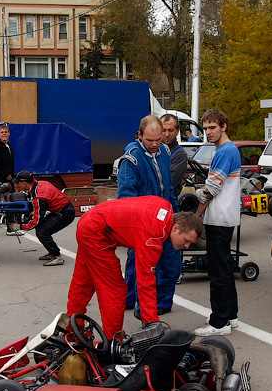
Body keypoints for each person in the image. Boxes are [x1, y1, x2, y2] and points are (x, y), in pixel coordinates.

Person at [67, 196, 203, 339]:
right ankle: (113, 341)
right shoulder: (152, 239)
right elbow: (145, 282)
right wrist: (151, 323)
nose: (186, 246)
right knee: (115, 290)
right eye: (186, 240)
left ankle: (71, 331)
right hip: (95, 232)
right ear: (176, 228)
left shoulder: (166, 206)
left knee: (83, 283)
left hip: (90, 220)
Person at [117, 115, 179, 317]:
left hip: (167, 218)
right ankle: (132, 300)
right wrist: (133, 230)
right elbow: (126, 199)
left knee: (171, 263)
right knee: (139, 265)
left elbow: (169, 187)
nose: (154, 144)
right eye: (149, 140)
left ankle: (162, 302)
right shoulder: (131, 160)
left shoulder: (165, 151)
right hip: (143, 224)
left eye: (158, 139)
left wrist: (176, 215)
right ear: (139, 135)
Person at [192, 109, 242, 337]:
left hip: (219, 218)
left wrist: (196, 215)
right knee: (225, 267)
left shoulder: (225, 151)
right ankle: (230, 315)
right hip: (226, 216)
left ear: (224, 126)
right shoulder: (229, 150)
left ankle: (219, 322)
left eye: (212, 127)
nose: (208, 132)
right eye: (205, 128)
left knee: (218, 271)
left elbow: (210, 190)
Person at [10, 170, 76, 266]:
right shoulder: (40, 183)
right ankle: (52, 253)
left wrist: (20, 226)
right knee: (40, 228)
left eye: (17, 183)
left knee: (42, 232)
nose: (16, 185)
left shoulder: (39, 196)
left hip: (65, 213)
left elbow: (36, 220)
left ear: (24, 183)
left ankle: (57, 256)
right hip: (60, 209)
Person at [161, 114, 188, 196]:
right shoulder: (153, 150)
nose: (167, 134)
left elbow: (169, 183)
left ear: (177, 131)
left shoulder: (179, 155)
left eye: (170, 130)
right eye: (163, 130)